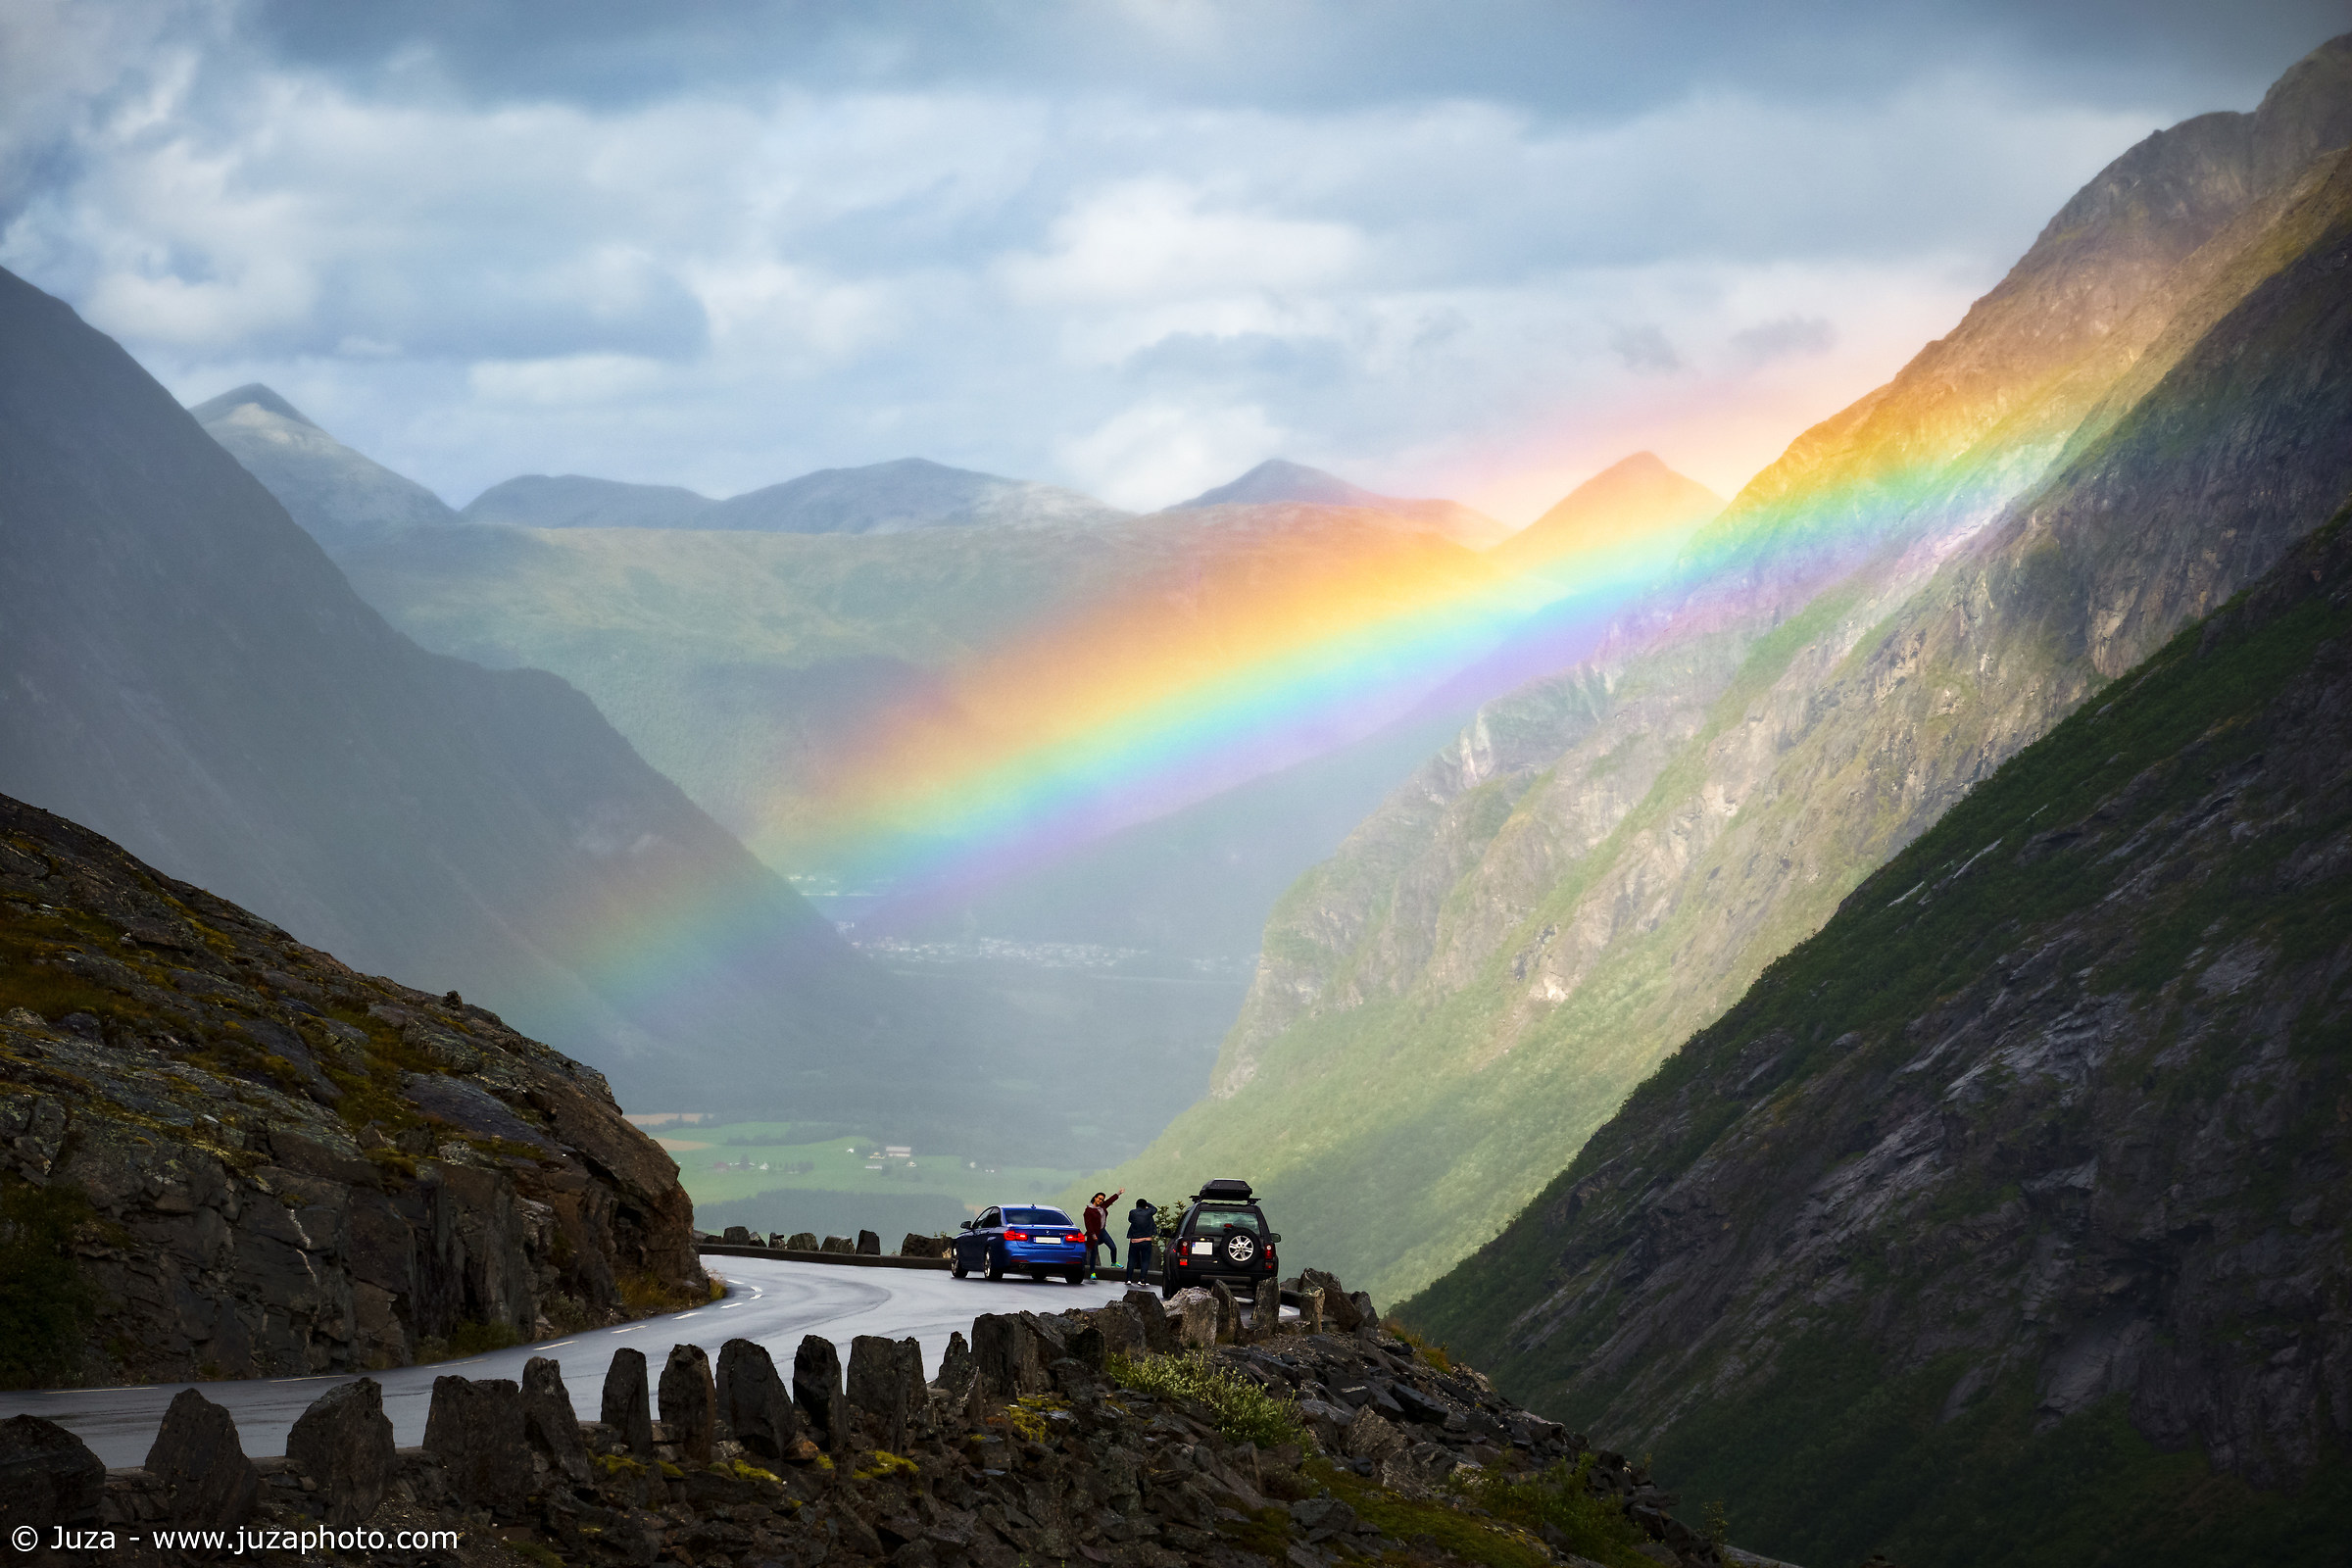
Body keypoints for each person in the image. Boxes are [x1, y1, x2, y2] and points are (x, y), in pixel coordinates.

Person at [1083, 1188, 1124, 1276]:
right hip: (1094, 1233)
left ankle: (1114, 1262)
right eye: (1099, 1198)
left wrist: (1118, 1193)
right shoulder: (1089, 1210)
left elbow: (1110, 1200)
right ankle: (1092, 1272)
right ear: (1095, 1198)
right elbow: (1088, 1224)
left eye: (1102, 1199)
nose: (1100, 1201)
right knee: (1093, 1253)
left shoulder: (1102, 1206)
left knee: (1113, 1247)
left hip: (1102, 1231)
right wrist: (1093, 1234)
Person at [1124, 1195, 1159, 1285]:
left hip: (1134, 1241)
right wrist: (1147, 1204)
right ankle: (1142, 1279)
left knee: (1131, 1260)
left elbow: (1130, 1220)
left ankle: (1128, 1279)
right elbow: (1155, 1209)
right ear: (1145, 1205)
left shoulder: (1132, 1212)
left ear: (1136, 1205)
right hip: (1146, 1240)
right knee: (1145, 1261)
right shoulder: (1149, 1212)